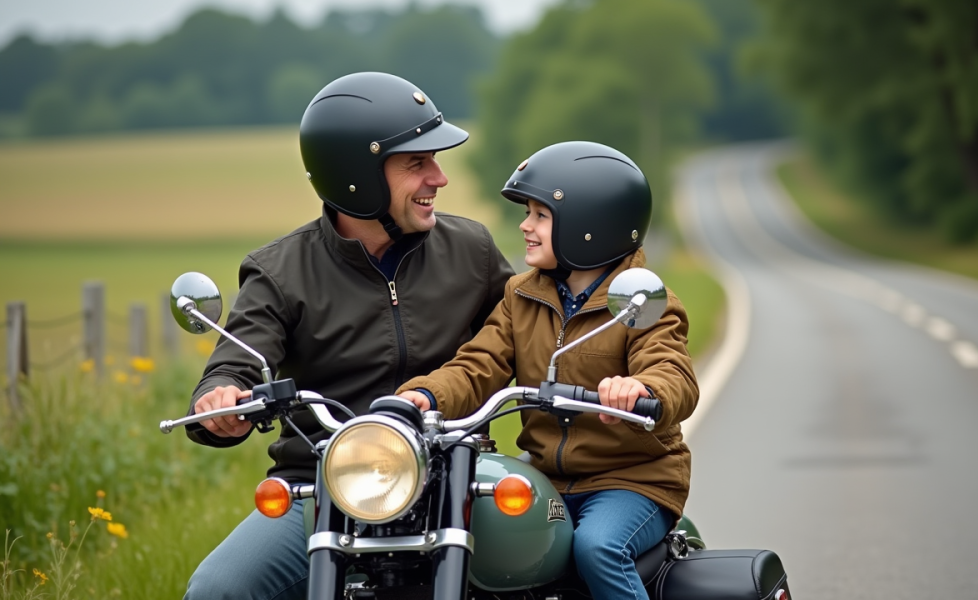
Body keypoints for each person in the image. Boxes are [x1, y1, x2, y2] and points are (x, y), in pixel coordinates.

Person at [182, 72, 515, 600]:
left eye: (434, 160)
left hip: (455, 479)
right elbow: (237, 361)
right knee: (217, 590)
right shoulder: (280, 272)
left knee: (562, 558)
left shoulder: (471, 249)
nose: (439, 178)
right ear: (358, 177)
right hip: (325, 488)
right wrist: (221, 398)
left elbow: (533, 331)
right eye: (417, 163)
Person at [397, 141, 699, 600]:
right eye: (528, 214)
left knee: (598, 548)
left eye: (540, 215)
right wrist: (425, 396)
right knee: (469, 533)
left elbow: (672, 371)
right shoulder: (521, 295)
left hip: (632, 479)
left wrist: (640, 388)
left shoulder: (643, 302)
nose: (525, 225)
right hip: (546, 476)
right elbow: (479, 364)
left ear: (590, 226)